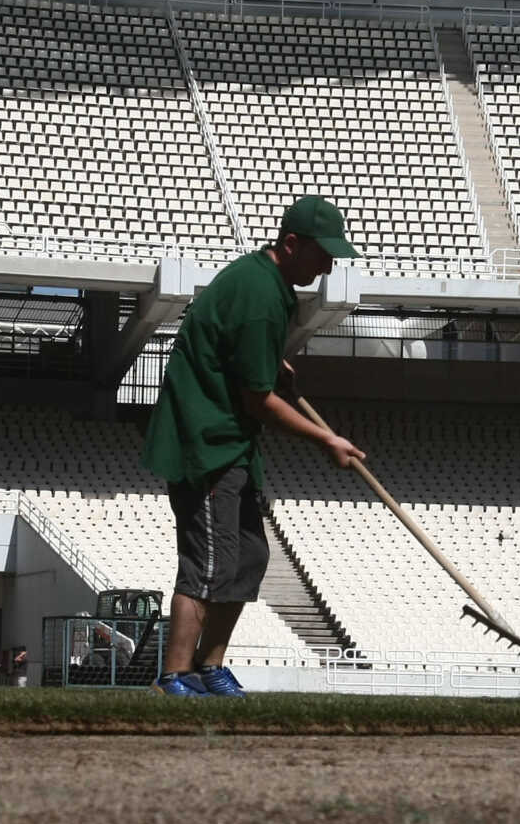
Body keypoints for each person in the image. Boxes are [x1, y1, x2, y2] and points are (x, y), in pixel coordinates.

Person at [142, 196, 367, 696]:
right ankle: (173, 677)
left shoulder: (261, 281)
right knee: (208, 566)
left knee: (248, 557)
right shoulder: (262, 298)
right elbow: (259, 400)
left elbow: (230, 347)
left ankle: (209, 667)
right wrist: (327, 439)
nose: (330, 264)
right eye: (322, 253)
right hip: (208, 442)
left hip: (230, 442)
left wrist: (267, 362)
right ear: (291, 244)